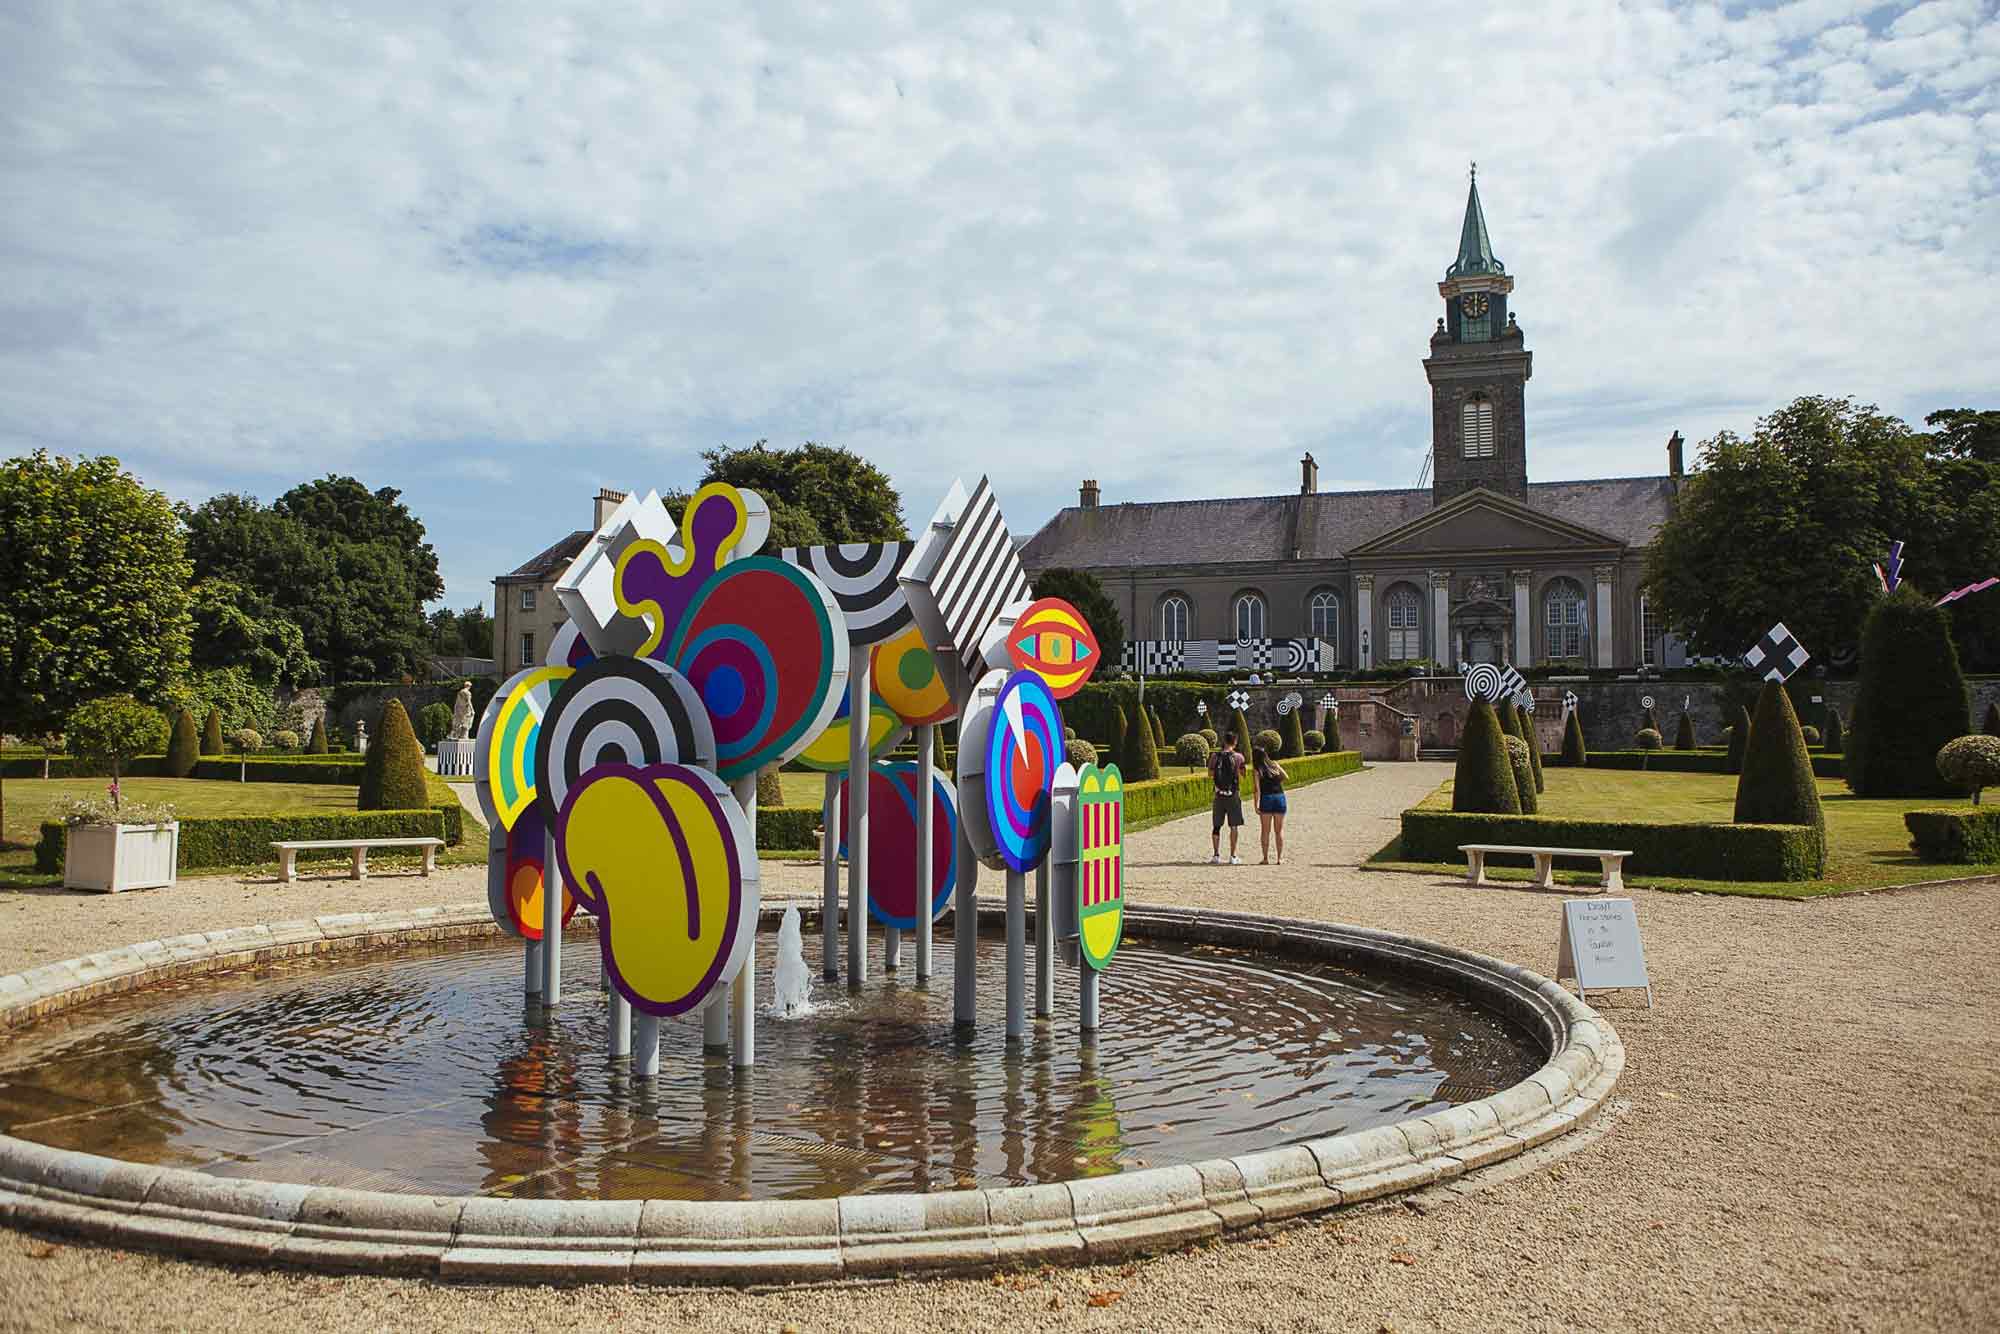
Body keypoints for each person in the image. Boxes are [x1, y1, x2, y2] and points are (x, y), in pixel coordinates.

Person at [1209, 731, 1246, 865]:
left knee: (1216, 826)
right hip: (1233, 794)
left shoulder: (1214, 756)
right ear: (1235, 742)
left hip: (1218, 794)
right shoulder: (1239, 757)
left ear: (1224, 741)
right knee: (1234, 826)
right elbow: (1243, 775)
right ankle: (1233, 856)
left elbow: (1210, 774)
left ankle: (1216, 855)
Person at [1252, 746, 1288, 865]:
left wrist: (1255, 805)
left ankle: (1266, 858)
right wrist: (1276, 782)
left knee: (1265, 831)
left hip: (1266, 798)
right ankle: (1279, 858)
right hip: (1279, 797)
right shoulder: (1275, 765)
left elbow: (1257, 789)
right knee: (1279, 830)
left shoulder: (1257, 769)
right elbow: (1285, 777)